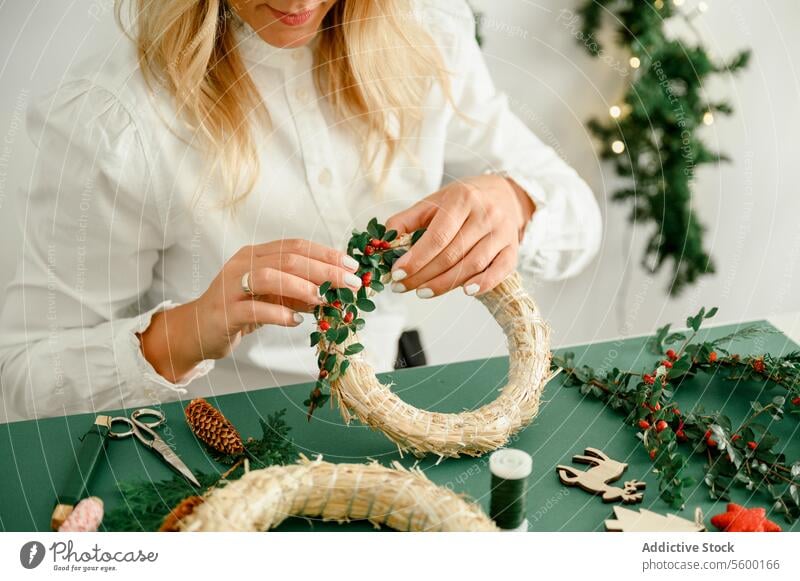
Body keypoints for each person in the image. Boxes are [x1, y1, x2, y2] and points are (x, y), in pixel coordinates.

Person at [0, 0, 602, 420]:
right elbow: (22, 376)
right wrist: (190, 329)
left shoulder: (429, 32)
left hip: (399, 393)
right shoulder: (116, 120)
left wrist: (516, 200)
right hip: (213, 438)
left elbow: (580, 222)